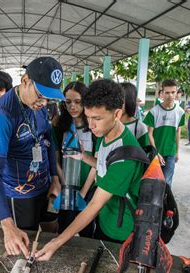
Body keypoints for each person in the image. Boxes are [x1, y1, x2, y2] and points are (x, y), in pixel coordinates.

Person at [36, 79, 145, 261]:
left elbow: (94, 205)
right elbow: (102, 166)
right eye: (88, 117)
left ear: (117, 113)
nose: (91, 125)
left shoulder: (125, 157)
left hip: (120, 230)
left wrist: (57, 242)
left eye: (97, 118)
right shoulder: (107, 134)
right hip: (106, 220)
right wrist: (85, 156)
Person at [0, 56, 63, 257]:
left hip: (44, 185)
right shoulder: (2, 114)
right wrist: (7, 224)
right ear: (25, 80)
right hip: (20, 194)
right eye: (40, 95)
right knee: (25, 246)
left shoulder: (38, 105)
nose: (43, 102)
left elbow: (48, 137)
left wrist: (54, 177)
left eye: (48, 98)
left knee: (47, 235)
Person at [54, 81, 96, 237]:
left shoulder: (94, 127)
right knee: (64, 229)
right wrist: (65, 186)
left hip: (88, 188)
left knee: (86, 231)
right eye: (68, 102)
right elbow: (56, 160)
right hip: (66, 189)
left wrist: (84, 192)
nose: (73, 106)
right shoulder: (59, 126)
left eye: (78, 102)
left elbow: (97, 164)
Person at [144, 79, 185, 186]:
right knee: (154, 181)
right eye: (167, 92)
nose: (170, 95)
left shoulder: (180, 112)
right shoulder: (154, 111)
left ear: (177, 93)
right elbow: (149, 134)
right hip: (156, 152)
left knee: (167, 181)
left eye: (173, 92)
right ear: (162, 93)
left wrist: (177, 151)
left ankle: (165, 202)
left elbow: (178, 133)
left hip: (170, 152)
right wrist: (156, 152)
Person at [120, 82, 149, 148]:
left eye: (121, 100)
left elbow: (144, 154)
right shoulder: (109, 124)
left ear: (129, 101)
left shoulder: (140, 127)